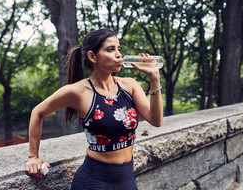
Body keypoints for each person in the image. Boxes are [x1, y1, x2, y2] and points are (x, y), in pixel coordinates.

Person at [26, 28, 163, 189]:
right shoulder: (78, 91)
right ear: (92, 56)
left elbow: (156, 120)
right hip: (92, 182)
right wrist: (32, 157)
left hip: (126, 181)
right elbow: (37, 112)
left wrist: (154, 78)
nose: (118, 54)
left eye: (118, 49)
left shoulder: (129, 85)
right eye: (110, 49)